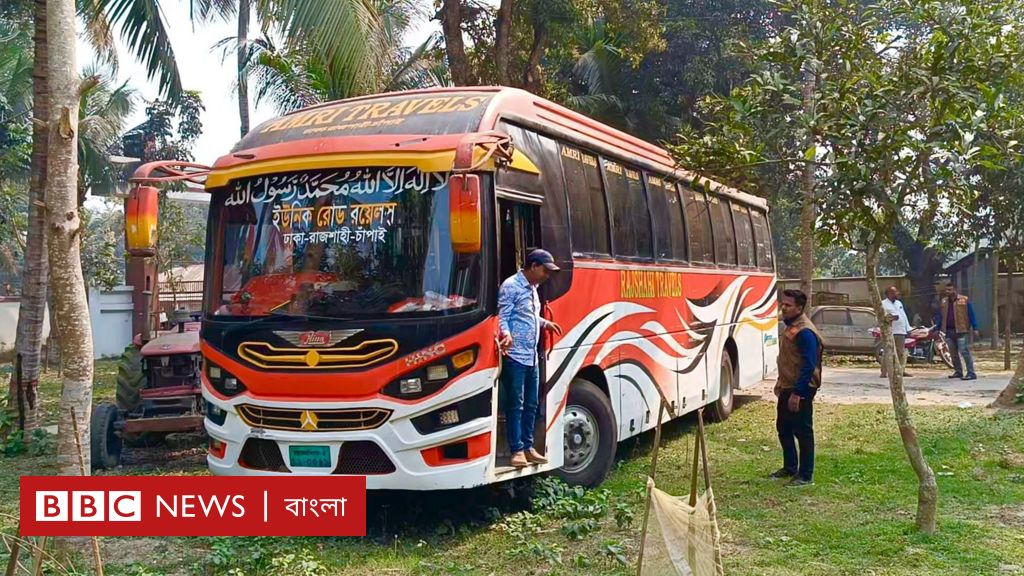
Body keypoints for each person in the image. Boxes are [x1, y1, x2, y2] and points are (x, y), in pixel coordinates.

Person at [497, 249, 563, 468]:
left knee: (532, 403)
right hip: (515, 356)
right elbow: (503, 317)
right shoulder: (510, 286)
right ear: (533, 266)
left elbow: (529, 316)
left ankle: (528, 446)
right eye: (545, 270)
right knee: (516, 403)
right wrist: (506, 335)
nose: (547, 276)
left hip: (531, 357)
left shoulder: (533, 288)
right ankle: (516, 449)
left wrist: (545, 323)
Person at [770, 289, 823, 487]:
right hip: (788, 385)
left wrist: (798, 393)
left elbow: (809, 364)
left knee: (803, 430)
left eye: (788, 305)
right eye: (783, 304)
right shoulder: (791, 326)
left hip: (801, 388)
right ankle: (790, 467)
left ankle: (805, 475)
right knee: (784, 427)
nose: (783, 308)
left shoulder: (805, 331)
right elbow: (789, 359)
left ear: (799, 308)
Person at [935, 282, 979, 381]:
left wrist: (975, 327)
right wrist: (937, 328)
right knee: (953, 353)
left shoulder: (964, 300)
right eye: (947, 290)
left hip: (962, 330)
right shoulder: (944, 302)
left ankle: (971, 373)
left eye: (950, 289)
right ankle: (958, 371)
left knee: (964, 351)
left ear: (955, 289)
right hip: (949, 331)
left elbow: (971, 314)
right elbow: (940, 316)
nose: (948, 291)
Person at [880, 285, 912, 379]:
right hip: (890, 332)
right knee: (888, 352)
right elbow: (882, 317)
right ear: (888, 294)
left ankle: (900, 371)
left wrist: (908, 328)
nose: (896, 294)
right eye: (893, 292)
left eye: (896, 291)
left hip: (901, 331)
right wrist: (892, 318)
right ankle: (884, 372)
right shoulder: (883, 304)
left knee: (901, 352)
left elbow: (904, 316)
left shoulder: (899, 303)